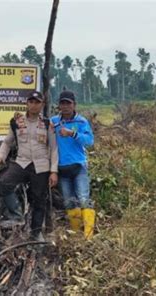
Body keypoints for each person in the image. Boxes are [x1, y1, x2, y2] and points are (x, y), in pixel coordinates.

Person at [0, 91, 58, 242]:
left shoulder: (48, 124)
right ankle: (16, 215)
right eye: (31, 102)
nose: (34, 105)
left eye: (37, 102)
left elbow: (54, 148)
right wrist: (0, 157)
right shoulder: (16, 121)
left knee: (39, 198)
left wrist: (54, 171)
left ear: (42, 105)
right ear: (27, 104)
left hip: (41, 165)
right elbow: (8, 142)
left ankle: (36, 232)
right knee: (4, 182)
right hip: (22, 162)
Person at [50, 90, 95, 239]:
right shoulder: (54, 122)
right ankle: (76, 235)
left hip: (78, 167)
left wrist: (73, 134)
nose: (65, 106)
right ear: (59, 105)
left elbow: (89, 142)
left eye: (68, 103)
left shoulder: (81, 122)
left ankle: (88, 236)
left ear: (74, 105)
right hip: (61, 169)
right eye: (62, 103)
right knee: (69, 202)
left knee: (83, 199)